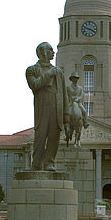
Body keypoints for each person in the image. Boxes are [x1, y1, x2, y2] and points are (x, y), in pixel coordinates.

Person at [26, 42, 69, 171]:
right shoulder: (31, 70)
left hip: (57, 107)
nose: (53, 52)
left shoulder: (59, 73)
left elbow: (64, 95)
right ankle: (37, 164)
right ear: (42, 52)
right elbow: (35, 85)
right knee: (40, 136)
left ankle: (49, 162)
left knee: (53, 137)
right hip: (42, 106)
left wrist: (66, 118)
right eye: (50, 50)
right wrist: (49, 74)